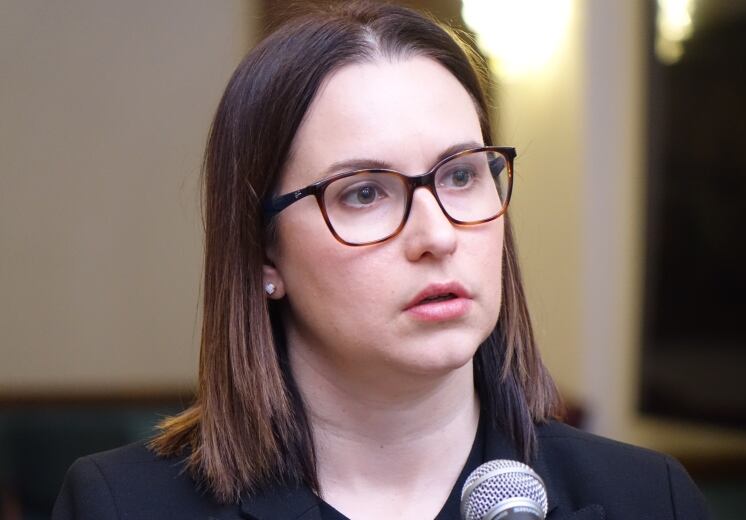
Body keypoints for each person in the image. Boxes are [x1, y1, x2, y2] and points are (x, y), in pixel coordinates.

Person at [53, 2, 710, 519]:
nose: (438, 234)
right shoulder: (121, 503)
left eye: (459, 175)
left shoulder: (649, 497)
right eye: (364, 192)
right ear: (261, 252)